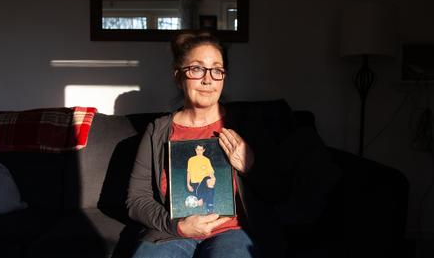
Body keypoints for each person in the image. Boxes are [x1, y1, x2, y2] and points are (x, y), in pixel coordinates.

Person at [126, 31, 341, 258]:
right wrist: (178, 226)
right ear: (179, 76)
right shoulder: (157, 131)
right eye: (197, 68)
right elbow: (136, 200)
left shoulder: (247, 125)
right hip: (173, 233)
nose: (208, 79)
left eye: (217, 70)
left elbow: (279, 191)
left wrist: (250, 166)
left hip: (233, 231)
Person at [186, 144, 216, 213]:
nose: (199, 152)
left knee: (210, 180)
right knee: (200, 203)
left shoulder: (206, 160)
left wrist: (213, 178)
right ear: (195, 150)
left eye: (201, 150)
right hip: (195, 184)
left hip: (205, 181)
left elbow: (210, 171)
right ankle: (203, 198)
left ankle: (210, 206)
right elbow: (189, 173)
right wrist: (188, 184)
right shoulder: (191, 160)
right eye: (198, 150)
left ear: (204, 150)